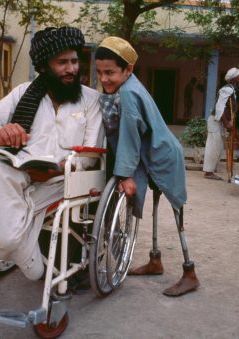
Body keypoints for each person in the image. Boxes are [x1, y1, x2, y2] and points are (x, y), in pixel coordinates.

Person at [0, 27, 103, 281]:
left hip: (63, 181)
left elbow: (90, 157)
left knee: (6, 232)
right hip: (22, 171)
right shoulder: (22, 93)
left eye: (74, 61)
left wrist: (60, 169)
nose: (71, 69)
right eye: (62, 62)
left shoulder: (91, 100)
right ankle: (20, 241)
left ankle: (15, 249)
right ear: (44, 66)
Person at [94, 36, 200, 297]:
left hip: (162, 156)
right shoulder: (128, 86)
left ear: (127, 69)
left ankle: (190, 272)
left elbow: (129, 136)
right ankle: (155, 261)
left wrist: (125, 174)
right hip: (151, 153)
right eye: (99, 72)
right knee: (152, 208)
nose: (104, 78)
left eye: (110, 72)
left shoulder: (129, 92)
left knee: (177, 212)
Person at [202, 68, 239, 180]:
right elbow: (220, 106)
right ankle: (208, 173)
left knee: (219, 147)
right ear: (233, 79)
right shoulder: (227, 90)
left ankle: (211, 169)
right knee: (214, 146)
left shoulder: (232, 91)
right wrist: (226, 123)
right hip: (216, 121)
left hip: (220, 121)